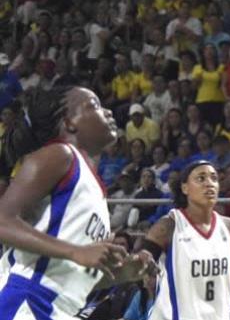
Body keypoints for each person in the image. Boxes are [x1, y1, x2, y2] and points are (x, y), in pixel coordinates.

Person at [0, 83, 153, 320]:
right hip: (26, 299)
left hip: (60, 308)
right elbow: (3, 221)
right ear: (69, 122)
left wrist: (125, 273)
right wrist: (75, 251)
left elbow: (73, 271)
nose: (108, 112)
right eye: (95, 105)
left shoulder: (95, 191)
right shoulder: (60, 154)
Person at [139, 161, 230, 320]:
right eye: (201, 178)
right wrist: (142, 261)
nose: (209, 183)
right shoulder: (169, 225)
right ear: (185, 188)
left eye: (214, 178)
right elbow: (142, 258)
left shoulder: (229, 228)